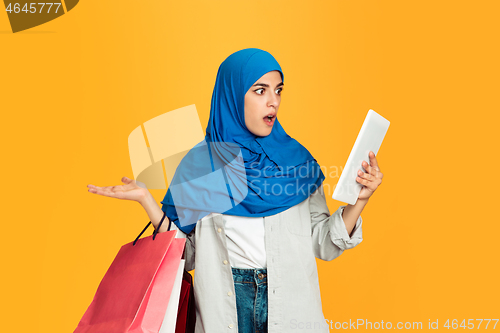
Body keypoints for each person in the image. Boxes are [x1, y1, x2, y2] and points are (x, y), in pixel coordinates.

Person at [87, 48, 384, 333]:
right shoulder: (200, 167)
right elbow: (187, 257)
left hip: (292, 310)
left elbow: (322, 243)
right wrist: (147, 201)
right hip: (224, 312)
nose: (273, 102)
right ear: (231, 95)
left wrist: (360, 200)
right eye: (260, 90)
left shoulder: (296, 162)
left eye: (278, 90)